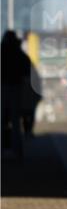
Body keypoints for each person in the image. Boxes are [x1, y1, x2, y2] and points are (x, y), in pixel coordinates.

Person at [1, 31, 31, 160]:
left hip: (1, 88)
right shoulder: (20, 54)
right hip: (16, 88)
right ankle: (17, 151)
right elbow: (27, 71)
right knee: (15, 121)